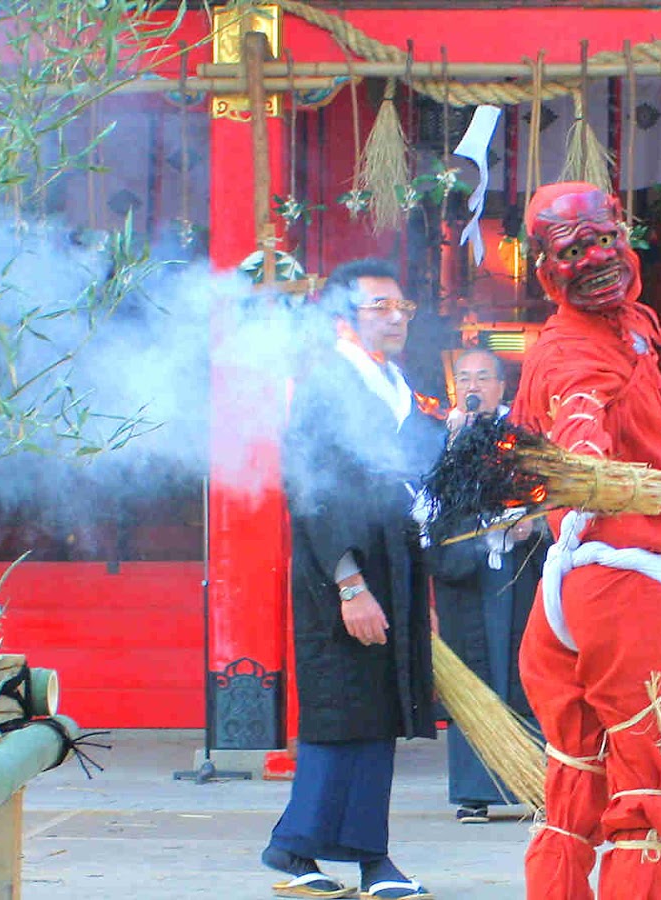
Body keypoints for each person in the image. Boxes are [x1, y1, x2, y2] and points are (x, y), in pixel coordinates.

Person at [510, 182, 661, 900]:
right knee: (645, 778)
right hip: (620, 588)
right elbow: (577, 415)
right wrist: (586, 465)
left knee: (576, 776)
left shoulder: (622, 330)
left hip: (578, 582)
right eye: (573, 251)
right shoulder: (572, 353)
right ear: (545, 270)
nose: (598, 259)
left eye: (606, 239)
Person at [264, 259, 444, 900]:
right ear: (343, 318)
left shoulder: (398, 384)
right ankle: (364, 859)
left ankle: (299, 850)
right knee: (341, 712)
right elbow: (309, 491)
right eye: (379, 306)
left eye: (402, 307)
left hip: (392, 566)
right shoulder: (326, 386)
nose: (396, 316)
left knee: (376, 712)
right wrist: (349, 583)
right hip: (339, 571)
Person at [427, 349, 549, 825]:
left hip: (517, 569)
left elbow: (551, 498)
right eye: (464, 377)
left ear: (501, 387)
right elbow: (427, 505)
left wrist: (532, 526)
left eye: (483, 377)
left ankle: (534, 784)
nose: (473, 385)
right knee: (473, 670)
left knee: (525, 670)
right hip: (466, 570)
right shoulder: (444, 435)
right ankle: (474, 792)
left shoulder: (524, 437)